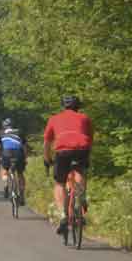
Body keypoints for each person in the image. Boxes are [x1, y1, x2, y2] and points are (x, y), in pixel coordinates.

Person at [43, 95, 93, 235]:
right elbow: (90, 138)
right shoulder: (85, 118)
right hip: (82, 149)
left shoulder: (54, 119)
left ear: (63, 106)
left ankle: (63, 215)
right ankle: (81, 196)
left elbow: (47, 142)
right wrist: (88, 155)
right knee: (81, 171)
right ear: (78, 106)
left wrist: (47, 159)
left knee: (60, 183)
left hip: (63, 151)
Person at [0, 118, 27, 205]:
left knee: (4, 169)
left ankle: (6, 185)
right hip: (19, 154)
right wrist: (25, 158)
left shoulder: (1, 132)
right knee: (20, 174)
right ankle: (22, 195)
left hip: (6, 154)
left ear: (4, 126)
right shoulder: (19, 131)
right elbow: (24, 148)